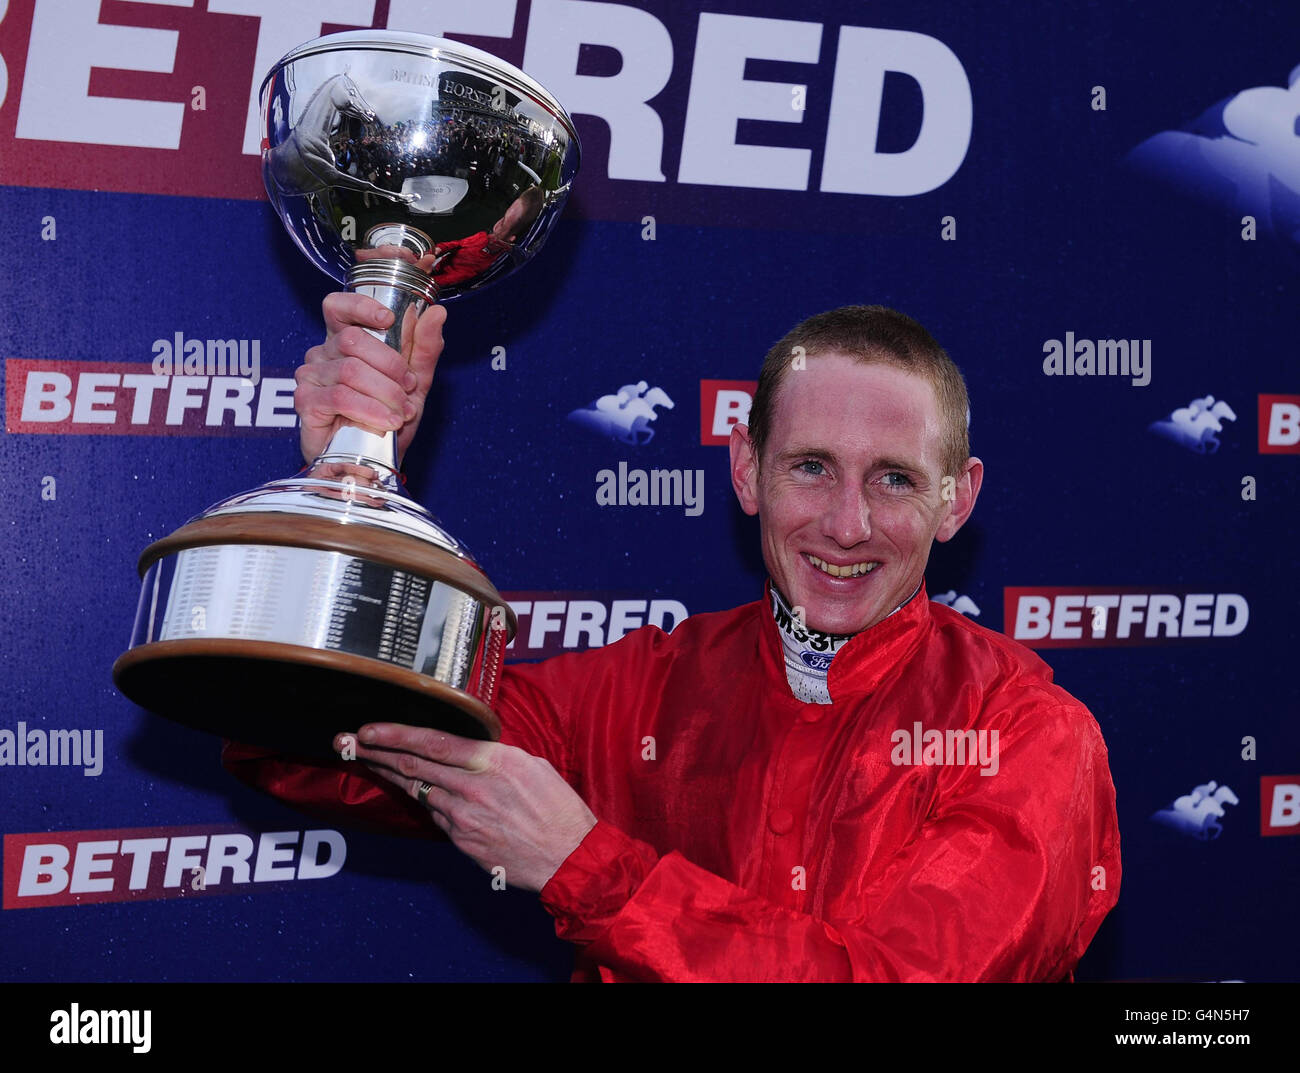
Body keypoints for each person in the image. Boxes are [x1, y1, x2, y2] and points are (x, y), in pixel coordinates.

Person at [223, 295, 1121, 982]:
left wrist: (588, 867)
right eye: (811, 467)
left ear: (956, 499)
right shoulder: (639, 688)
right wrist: (350, 483)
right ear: (746, 469)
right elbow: (319, 748)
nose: (849, 524)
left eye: (893, 479)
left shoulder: (1031, 734)